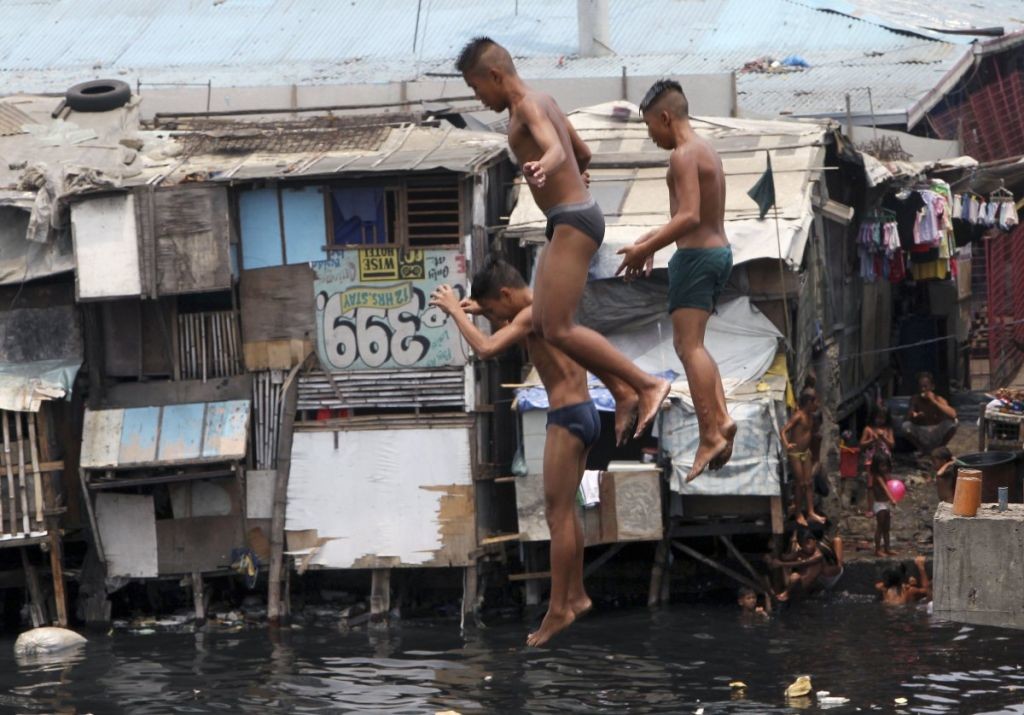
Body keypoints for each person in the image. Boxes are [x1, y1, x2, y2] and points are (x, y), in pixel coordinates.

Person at [456, 37, 670, 446]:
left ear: (495, 75)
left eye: (476, 87)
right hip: (572, 216)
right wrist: (569, 174)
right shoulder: (547, 100)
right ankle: (623, 390)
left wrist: (544, 167)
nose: (477, 98)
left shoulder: (527, 108)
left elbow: (556, 149)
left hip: (572, 220)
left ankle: (645, 385)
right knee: (542, 322)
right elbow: (581, 153)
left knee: (555, 326)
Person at [430, 257, 594, 647]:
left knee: (557, 518)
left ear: (506, 293)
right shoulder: (544, 309)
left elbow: (487, 348)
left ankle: (558, 610)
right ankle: (577, 595)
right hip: (586, 413)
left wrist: (455, 311)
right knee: (568, 513)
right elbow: (505, 329)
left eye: (491, 307)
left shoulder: (531, 312)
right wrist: (479, 311)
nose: (491, 316)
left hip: (567, 416)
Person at [616, 79, 736, 482]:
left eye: (651, 127)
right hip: (717, 253)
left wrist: (639, 251)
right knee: (698, 346)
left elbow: (688, 217)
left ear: (665, 117)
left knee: (688, 347)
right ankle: (722, 421)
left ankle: (710, 433)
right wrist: (650, 242)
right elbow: (688, 220)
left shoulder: (683, 155)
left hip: (697, 258)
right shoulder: (707, 151)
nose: (652, 137)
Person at [782, 391, 826, 526]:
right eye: (816, 402)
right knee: (800, 483)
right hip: (795, 453)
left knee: (809, 482)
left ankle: (811, 512)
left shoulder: (811, 417)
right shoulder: (799, 416)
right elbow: (783, 430)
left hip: (805, 453)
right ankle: (798, 513)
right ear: (809, 402)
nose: (818, 405)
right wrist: (787, 444)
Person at [901, 372, 958, 454]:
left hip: (936, 431)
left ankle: (940, 447)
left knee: (953, 424)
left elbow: (953, 414)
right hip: (921, 431)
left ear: (932, 387)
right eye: (921, 387)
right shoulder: (915, 399)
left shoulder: (939, 399)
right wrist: (915, 415)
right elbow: (910, 414)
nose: (923, 389)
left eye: (925, 386)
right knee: (905, 426)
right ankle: (921, 449)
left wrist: (934, 401)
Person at [769, 528, 824, 602]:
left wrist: (781, 564)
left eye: (808, 543)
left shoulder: (818, 555)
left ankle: (786, 593)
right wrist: (773, 552)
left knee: (795, 576)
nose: (806, 547)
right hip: (795, 583)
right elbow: (785, 557)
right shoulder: (801, 552)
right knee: (791, 574)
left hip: (806, 585)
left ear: (815, 541)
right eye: (802, 544)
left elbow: (802, 563)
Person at [860, 405, 895, 516]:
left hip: (884, 460)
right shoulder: (868, 429)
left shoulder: (888, 430)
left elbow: (892, 444)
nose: (880, 420)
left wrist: (884, 438)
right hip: (871, 460)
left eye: (883, 418)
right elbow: (861, 445)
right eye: (878, 417)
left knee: (886, 482)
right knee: (871, 484)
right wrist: (871, 440)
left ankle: (885, 505)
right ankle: (870, 508)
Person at [870, 453, 898, 557]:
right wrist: (892, 499)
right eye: (882, 465)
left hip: (886, 504)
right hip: (880, 504)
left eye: (886, 465)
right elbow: (885, 489)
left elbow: (891, 486)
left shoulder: (886, 476)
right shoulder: (877, 477)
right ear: (876, 466)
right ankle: (877, 550)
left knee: (887, 528)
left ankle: (887, 548)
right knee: (880, 527)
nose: (884, 468)